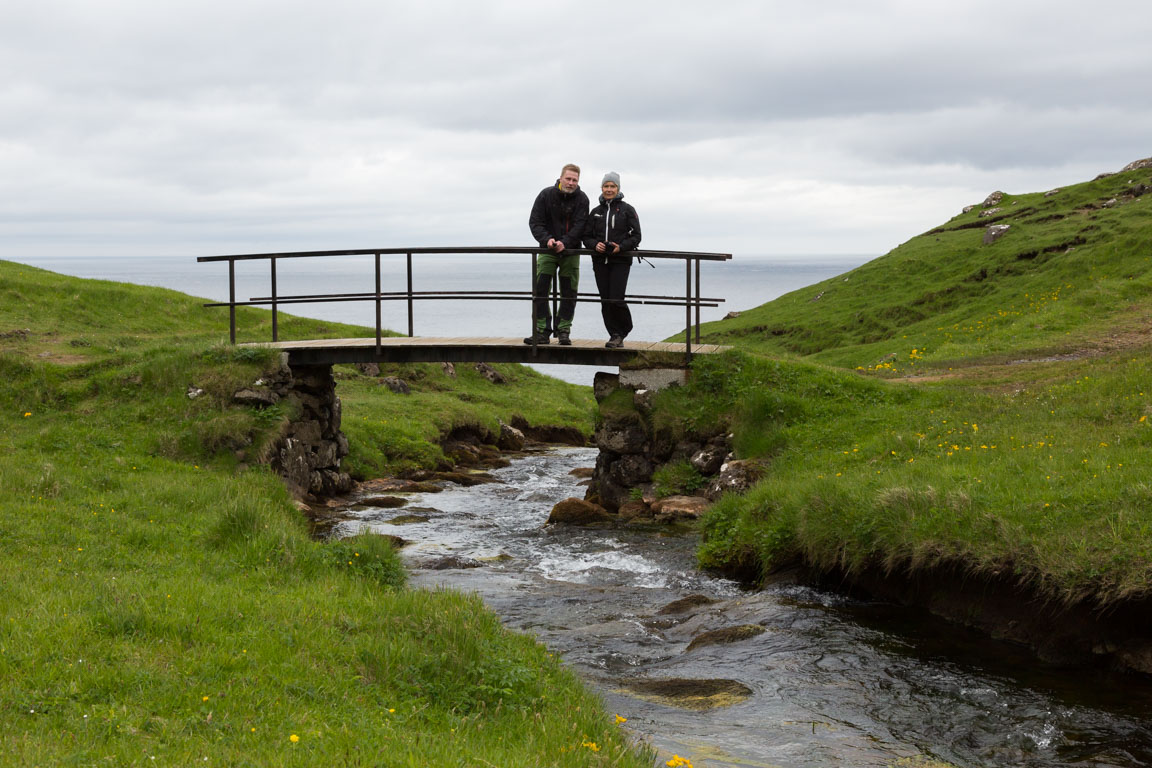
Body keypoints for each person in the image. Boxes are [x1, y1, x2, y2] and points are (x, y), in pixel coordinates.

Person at [525, 163, 589, 345]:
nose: (571, 183)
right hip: (547, 250)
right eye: (568, 179)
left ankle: (564, 330)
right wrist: (548, 240)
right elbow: (535, 222)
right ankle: (542, 331)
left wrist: (565, 242)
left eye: (574, 180)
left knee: (569, 291)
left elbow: (581, 225)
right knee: (541, 288)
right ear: (560, 178)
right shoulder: (545, 195)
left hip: (571, 251)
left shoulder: (582, 199)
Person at [583, 171, 641, 348]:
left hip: (620, 261)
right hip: (600, 262)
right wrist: (595, 245)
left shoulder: (627, 210)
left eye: (612, 186)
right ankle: (614, 335)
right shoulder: (595, 212)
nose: (609, 189)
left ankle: (623, 329)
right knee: (605, 300)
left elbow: (636, 236)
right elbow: (586, 237)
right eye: (606, 186)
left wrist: (620, 247)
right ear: (601, 188)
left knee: (616, 298)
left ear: (618, 188)